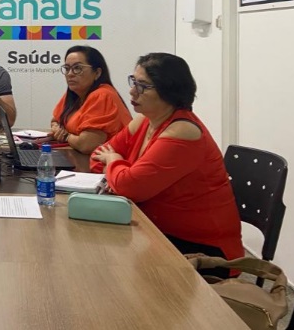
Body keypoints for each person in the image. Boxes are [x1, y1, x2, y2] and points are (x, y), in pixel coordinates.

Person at [91, 53, 243, 269]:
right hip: (153, 228)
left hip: (201, 247)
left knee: (106, 260)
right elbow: (97, 157)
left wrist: (114, 161)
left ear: (169, 91)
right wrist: (119, 173)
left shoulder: (183, 131)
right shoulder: (145, 120)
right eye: (133, 81)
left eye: (143, 86)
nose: (132, 91)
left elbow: (129, 186)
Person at [50, 45, 131, 154]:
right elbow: (55, 120)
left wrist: (65, 136)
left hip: (112, 161)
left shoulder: (102, 95)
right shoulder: (74, 93)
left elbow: (86, 145)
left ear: (97, 73)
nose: (70, 74)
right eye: (67, 68)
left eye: (77, 68)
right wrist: (57, 129)